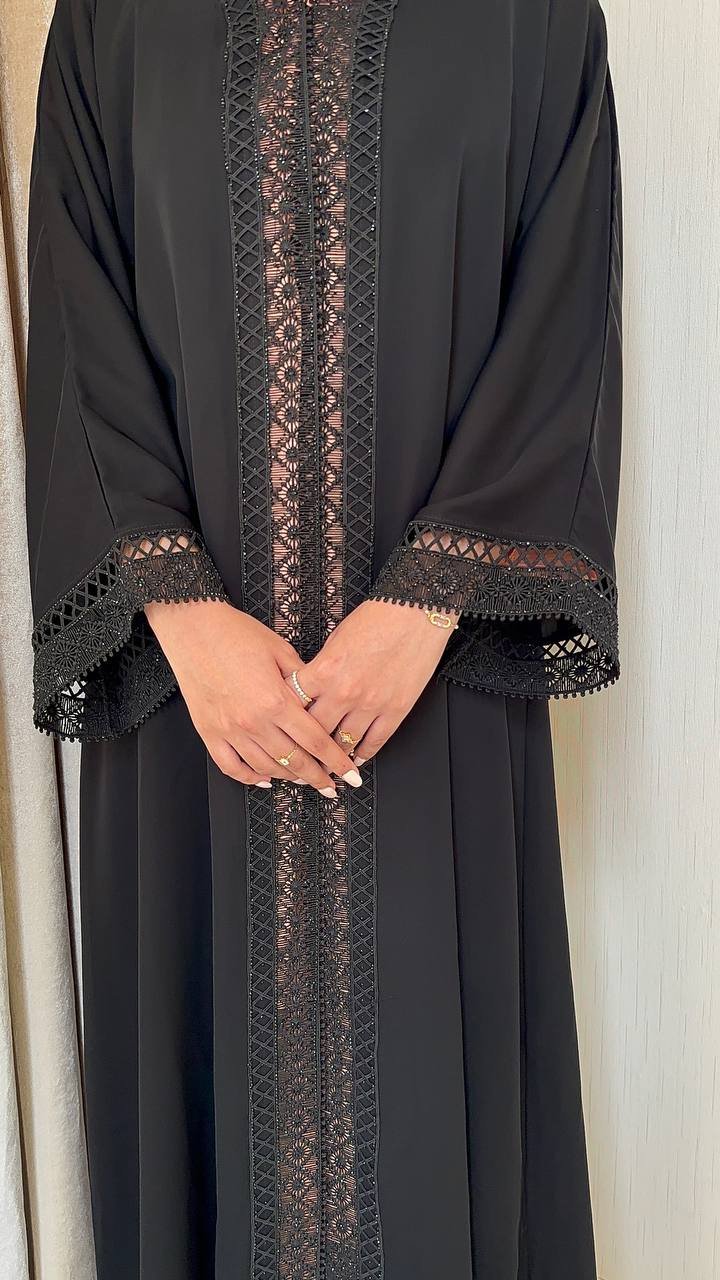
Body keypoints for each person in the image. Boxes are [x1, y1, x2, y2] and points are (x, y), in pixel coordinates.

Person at [25, 0, 622, 1276]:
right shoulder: (111, 23)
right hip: (190, 705)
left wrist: (426, 602)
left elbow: (563, 315)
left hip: (434, 690)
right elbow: (75, 320)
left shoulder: (536, 22)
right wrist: (183, 614)